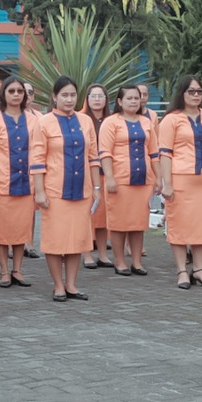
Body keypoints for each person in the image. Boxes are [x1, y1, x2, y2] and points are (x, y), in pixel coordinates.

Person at [31, 77, 97, 302]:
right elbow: (37, 159)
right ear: (54, 97)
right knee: (55, 240)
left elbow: (93, 157)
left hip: (82, 190)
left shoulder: (86, 121)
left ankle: (71, 284)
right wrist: (39, 191)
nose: (69, 100)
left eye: (72, 95)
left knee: (76, 240)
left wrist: (96, 186)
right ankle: (58, 285)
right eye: (64, 95)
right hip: (55, 191)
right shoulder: (44, 122)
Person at [156, 76, 202, 290]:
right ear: (182, 93)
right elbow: (164, 153)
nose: (195, 95)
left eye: (199, 92)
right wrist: (167, 183)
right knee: (180, 223)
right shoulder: (171, 119)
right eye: (191, 91)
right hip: (181, 178)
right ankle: (182, 270)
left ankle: (199, 269)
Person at [0, 76, 40, 288]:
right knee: (1, 229)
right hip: (2, 182)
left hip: (26, 184)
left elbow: (38, 152)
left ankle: (17, 269)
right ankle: (4, 271)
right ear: (4, 94)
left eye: (20, 91)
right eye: (12, 91)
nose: (16, 95)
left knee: (21, 229)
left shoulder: (34, 120)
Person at [98, 84, 155, 276]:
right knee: (119, 223)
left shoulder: (147, 122)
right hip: (119, 179)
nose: (133, 101)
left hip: (143, 180)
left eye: (136, 98)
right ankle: (120, 261)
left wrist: (159, 178)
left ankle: (137, 262)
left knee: (138, 223)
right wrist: (110, 177)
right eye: (129, 98)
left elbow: (154, 152)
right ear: (120, 102)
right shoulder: (111, 122)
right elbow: (104, 152)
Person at [81, 83, 115, 269]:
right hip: (87, 174)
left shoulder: (112, 120)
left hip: (107, 174)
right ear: (87, 99)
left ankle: (103, 254)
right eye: (93, 96)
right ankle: (87, 254)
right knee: (89, 216)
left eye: (100, 96)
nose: (97, 99)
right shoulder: (82, 120)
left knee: (103, 217)